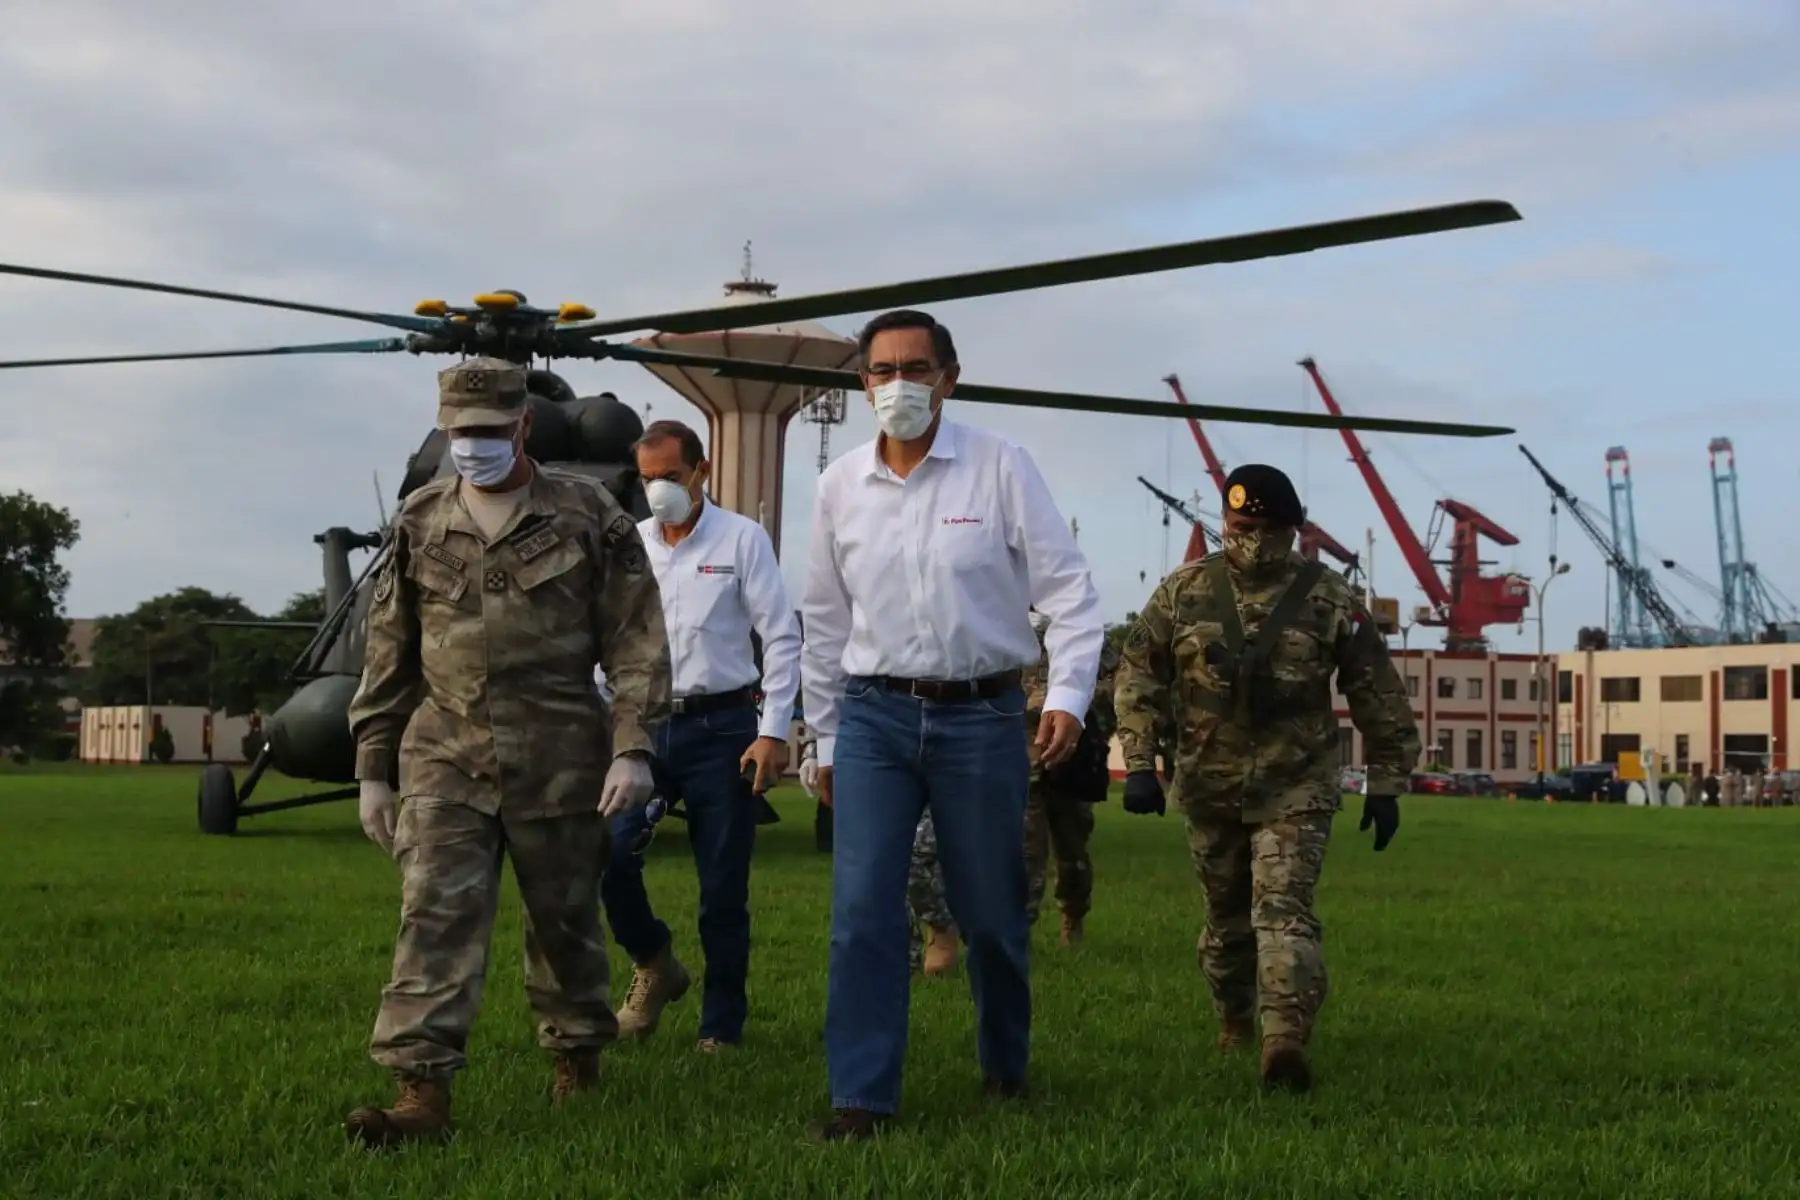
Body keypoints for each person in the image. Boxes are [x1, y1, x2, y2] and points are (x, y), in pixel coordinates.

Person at [343, 357, 671, 1147]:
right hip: (446, 754)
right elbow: (387, 650)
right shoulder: (420, 519)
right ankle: (421, 1091)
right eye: (460, 431)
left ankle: (576, 1058)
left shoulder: (587, 513)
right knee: (434, 915)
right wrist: (373, 768)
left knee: (564, 923)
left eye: (490, 430)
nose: (473, 445)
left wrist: (632, 747)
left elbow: (636, 638)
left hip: (560, 756)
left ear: (524, 425)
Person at [798, 308, 1104, 1140]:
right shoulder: (839, 487)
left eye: (916, 368)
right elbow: (823, 619)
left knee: (992, 914)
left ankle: (1005, 1063)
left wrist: (1068, 697)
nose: (898, 384)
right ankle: (861, 1096)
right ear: (861, 383)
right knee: (863, 910)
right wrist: (822, 735)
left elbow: (1070, 594)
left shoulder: (1001, 468)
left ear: (948, 379)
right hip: (875, 717)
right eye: (882, 370)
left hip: (983, 716)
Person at [1112, 462, 1419, 1094]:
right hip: (1209, 784)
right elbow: (1138, 673)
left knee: (1283, 914)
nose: (1252, 541)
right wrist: (1139, 763)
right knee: (1227, 924)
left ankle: (1283, 1041)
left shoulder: (1329, 597)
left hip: (1296, 785)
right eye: (1240, 527)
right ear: (1225, 523)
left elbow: (1376, 691)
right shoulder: (1183, 591)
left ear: (1293, 528)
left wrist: (1387, 781)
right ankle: (1234, 1020)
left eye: (1266, 529)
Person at [600, 419, 802, 1051]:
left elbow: (781, 636)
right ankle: (654, 960)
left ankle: (721, 1026)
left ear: (702, 471)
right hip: (644, 726)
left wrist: (773, 731)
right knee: (608, 854)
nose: (658, 489)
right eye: (648, 478)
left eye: (670, 476)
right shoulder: (630, 544)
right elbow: (606, 638)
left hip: (723, 728)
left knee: (722, 886)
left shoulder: (741, 539)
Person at [905, 610, 1119, 976]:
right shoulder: (993, 622)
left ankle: (1073, 914)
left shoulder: (1074, 625)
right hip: (1018, 758)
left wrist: (1071, 704)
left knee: (1073, 850)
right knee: (1023, 850)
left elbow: (1114, 681)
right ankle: (1018, 933)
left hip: (1071, 757)